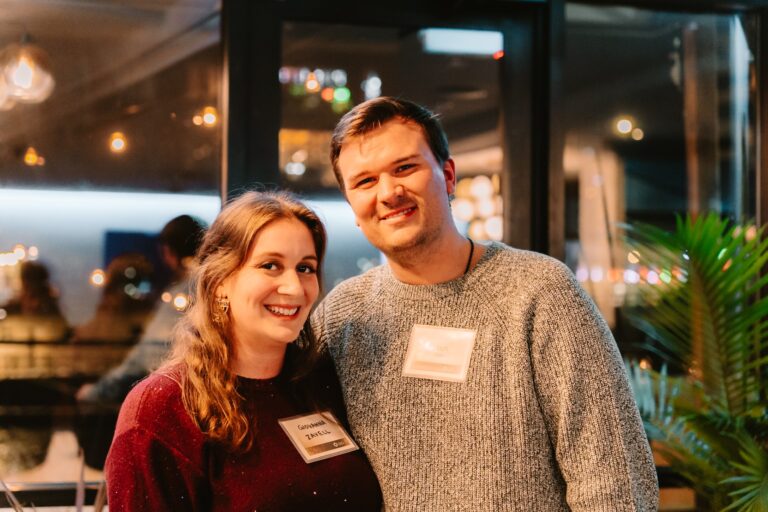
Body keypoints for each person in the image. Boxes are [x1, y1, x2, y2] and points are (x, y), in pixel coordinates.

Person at [312, 97, 659, 510]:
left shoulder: (540, 292)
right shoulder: (343, 315)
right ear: (352, 205)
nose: (388, 193)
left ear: (448, 176)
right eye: (365, 182)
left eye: (404, 168)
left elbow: (615, 483)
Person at [104, 191, 382, 511]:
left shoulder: (317, 384)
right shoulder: (162, 409)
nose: (294, 288)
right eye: (270, 265)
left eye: (305, 268)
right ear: (220, 280)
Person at [76, 215, 206, 402]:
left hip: (176, 397)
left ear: (168, 252)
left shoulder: (185, 292)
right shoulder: (211, 287)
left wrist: (95, 392)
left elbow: (145, 357)